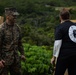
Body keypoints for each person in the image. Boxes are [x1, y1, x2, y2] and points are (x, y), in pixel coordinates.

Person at [0, 7, 26, 75]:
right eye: (13, 15)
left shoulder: (17, 28)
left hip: (15, 59)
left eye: (16, 15)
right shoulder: (2, 29)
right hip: (4, 60)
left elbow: (20, 42)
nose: (15, 17)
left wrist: (22, 54)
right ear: (7, 16)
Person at [51, 8, 76, 75]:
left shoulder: (60, 27)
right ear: (69, 16)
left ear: (60, 17)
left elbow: (57, 43)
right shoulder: (75, 25)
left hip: (64, 55)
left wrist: (54, 57)